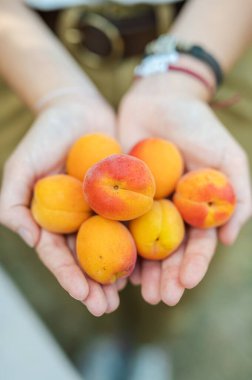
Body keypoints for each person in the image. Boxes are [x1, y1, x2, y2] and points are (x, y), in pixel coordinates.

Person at [0, 1, 252, 379]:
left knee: (182, 274)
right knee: (59, 267)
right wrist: (56, 95)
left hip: (208, 38)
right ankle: (105, 340)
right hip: (29, 57)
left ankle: (149, 343)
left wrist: (182, 83)